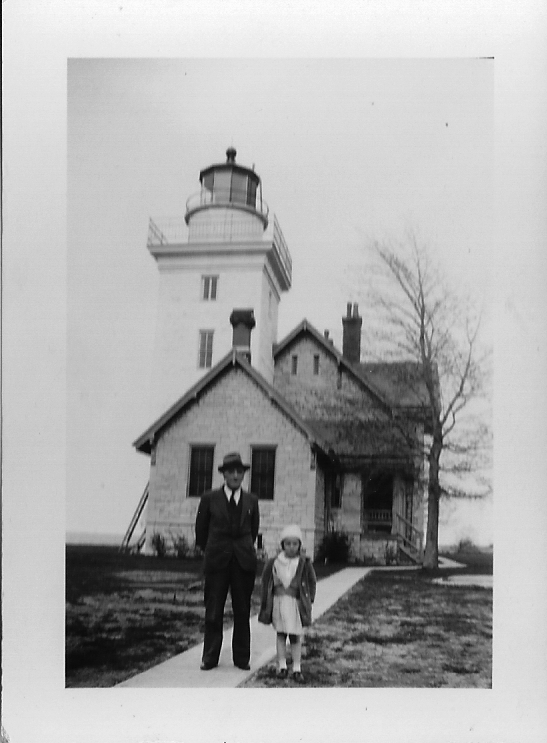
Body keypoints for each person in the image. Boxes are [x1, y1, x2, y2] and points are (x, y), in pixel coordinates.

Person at [195, 452, 260, 671]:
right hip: (217, 561)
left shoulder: (252, 500)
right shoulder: (209, 498)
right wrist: (213, 550)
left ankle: (241, 658)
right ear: (223, 474)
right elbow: (201, 531)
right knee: (214, 611)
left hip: (243, 562)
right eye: (231, 472)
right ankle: (210, 657)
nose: (235, 476)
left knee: (242, 610)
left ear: (243, 475)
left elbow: (253, 530)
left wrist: (243, 549)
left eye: (239, 472)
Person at [258, 524, 317, 683]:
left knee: (295, 636)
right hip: (279, 602)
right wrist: (266, 600)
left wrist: (309, 599)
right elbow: (265, 581)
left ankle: (297, 667)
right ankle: (282, 665)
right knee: (281, 634)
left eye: (295, 544)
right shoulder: (275, 562)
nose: (291, 547)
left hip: (295, 604)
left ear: (299, 545)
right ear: (282, 545)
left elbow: (311, 581)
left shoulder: (304, 563)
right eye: (288, 543)